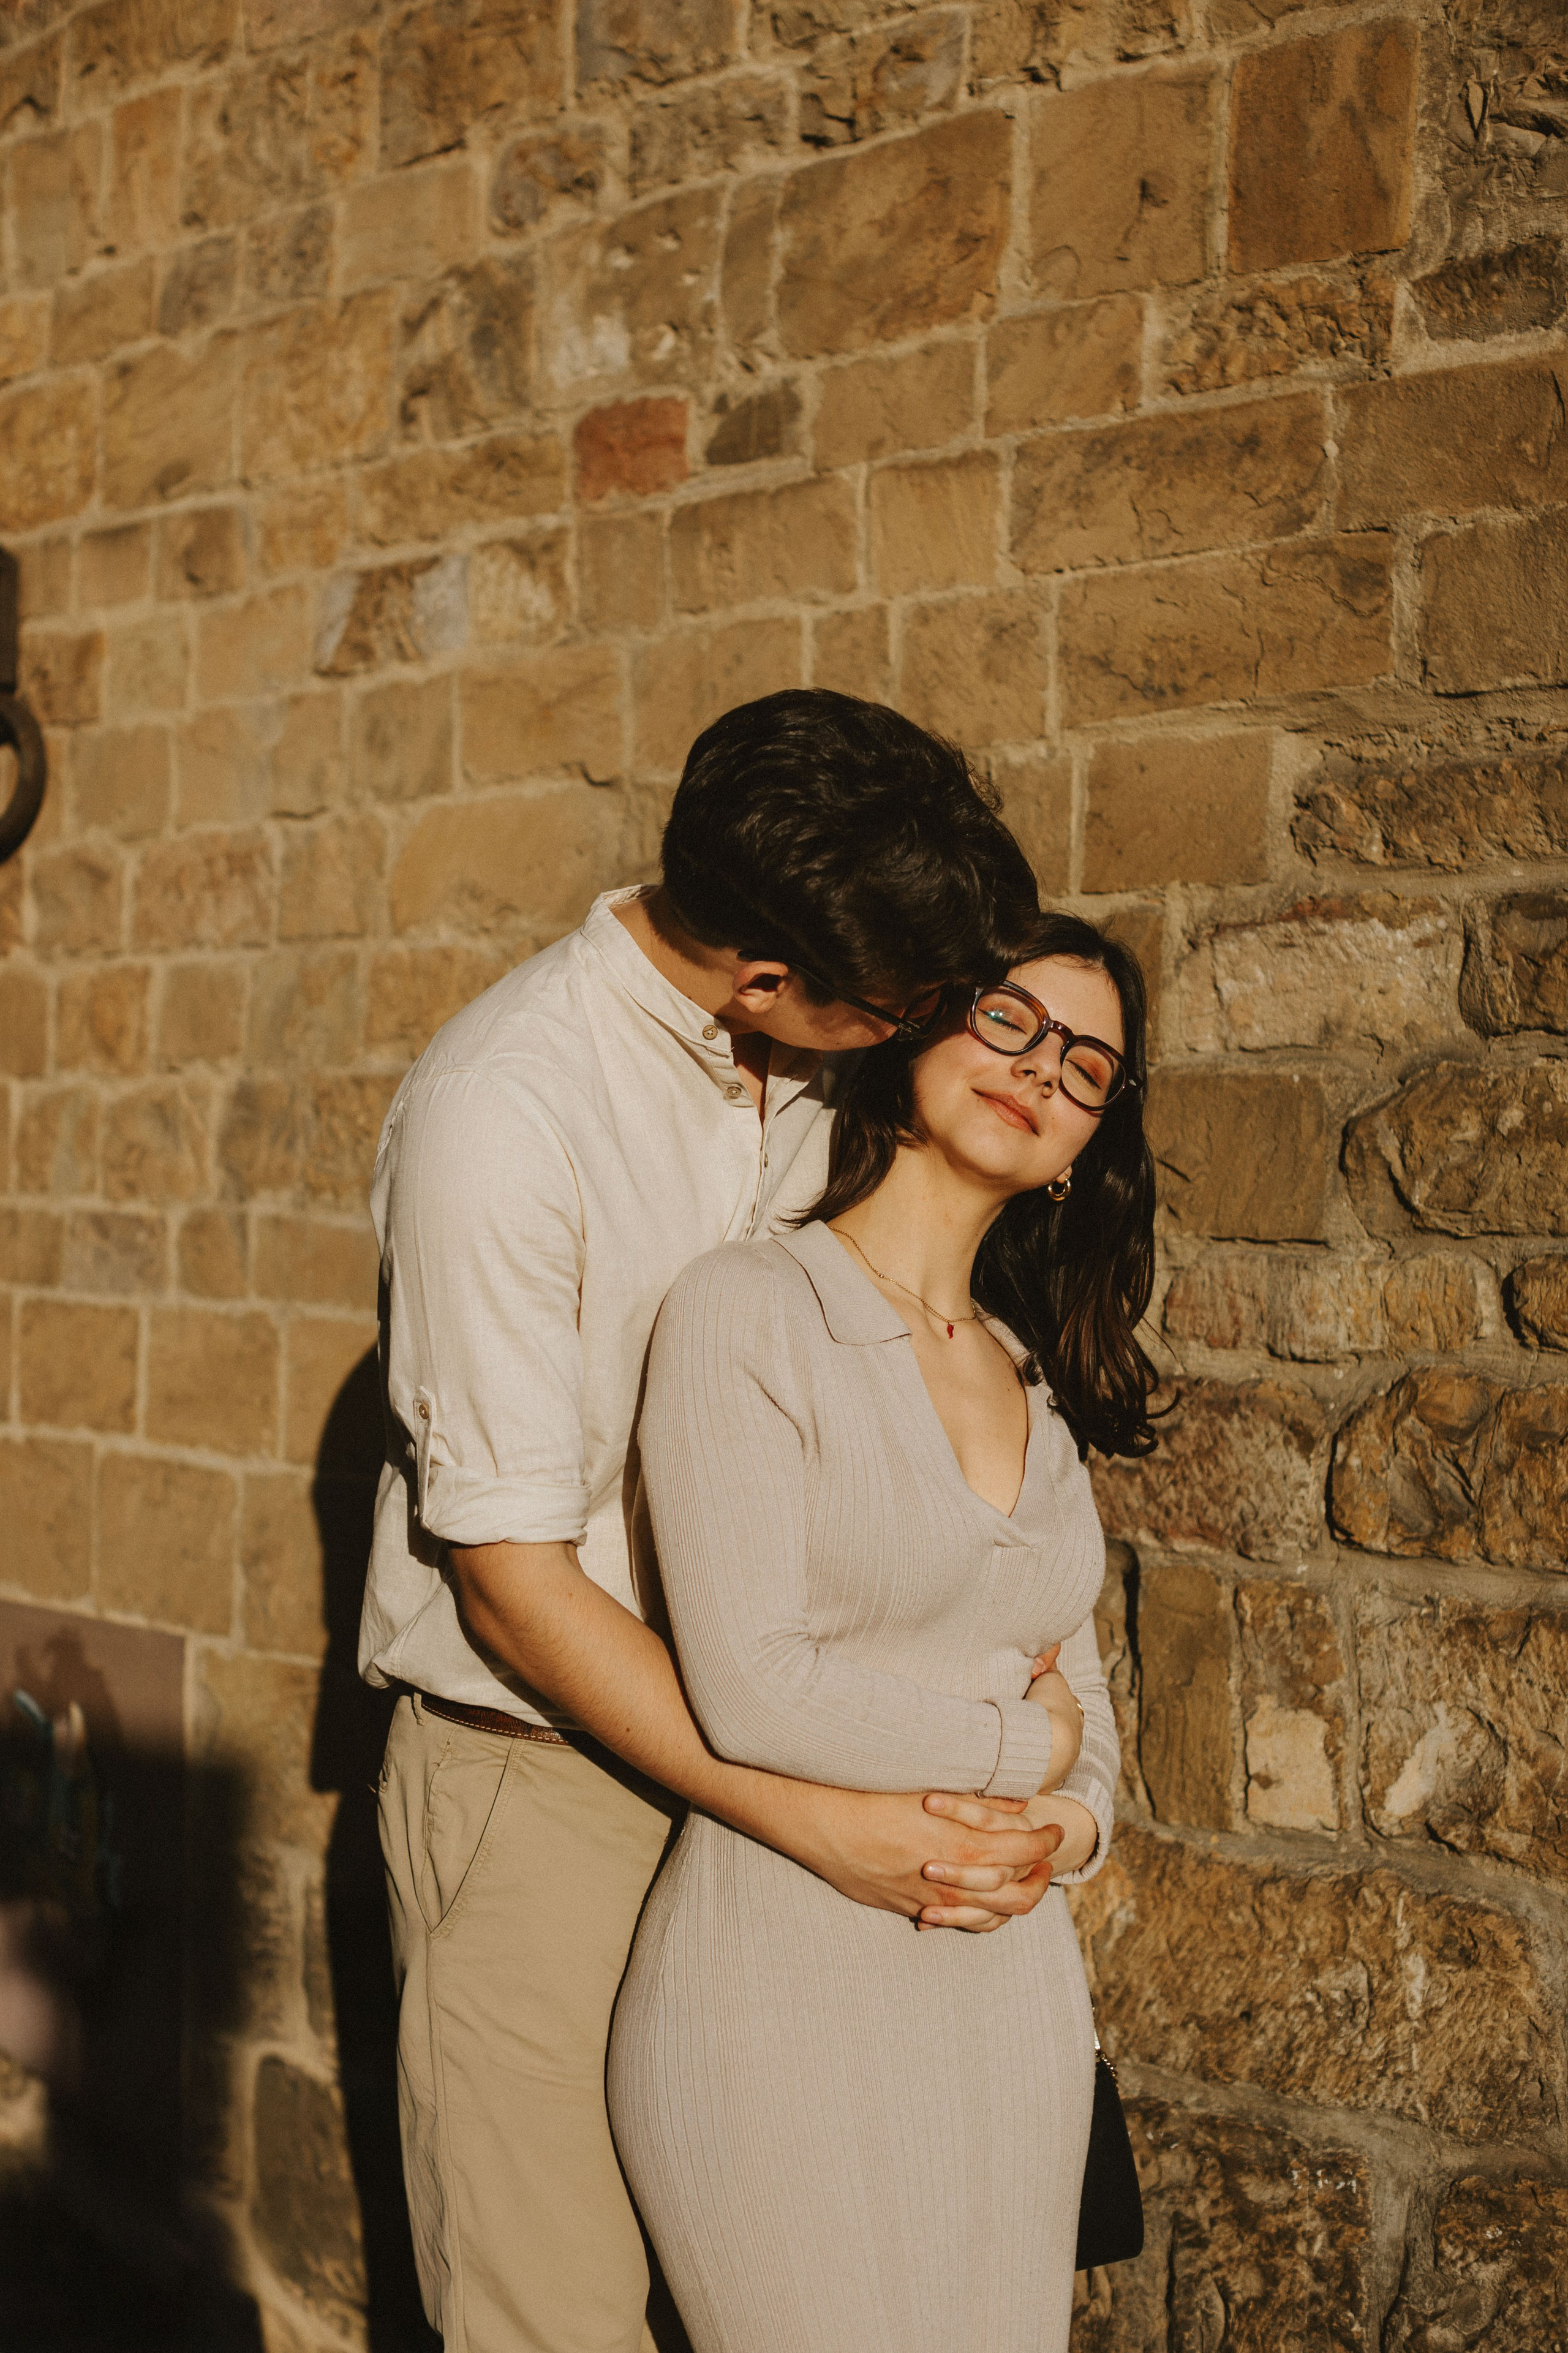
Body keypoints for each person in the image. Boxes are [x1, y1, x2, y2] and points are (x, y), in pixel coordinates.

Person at [362, 690, 1074, 2353]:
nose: (922, 1034)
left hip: (810, 1758)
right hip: (549, 1776)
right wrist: (813, 1817)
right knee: (556, 2318)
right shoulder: (504, 1113)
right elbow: (512, 1585)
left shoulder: (831, 1051)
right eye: (896, 1008)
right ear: (762, 978)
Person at [608, 910, 1159, 2353]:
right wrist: (1018, 1745)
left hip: (1011, 1992)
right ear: (919, 1024)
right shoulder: (748, 1309)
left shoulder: (1034, 1380)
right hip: (782, 1986)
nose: (1039, 1069)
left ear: (1083, 1145)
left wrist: (1068, 1828)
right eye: (1010, 1021)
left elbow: (1089, 1715)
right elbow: (753, 1685)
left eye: (1085, 1067)